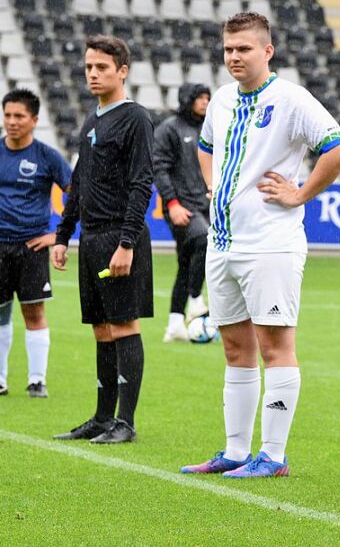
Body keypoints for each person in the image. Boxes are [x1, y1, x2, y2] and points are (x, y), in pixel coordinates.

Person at [180, 12, 340, 478]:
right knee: (235, 348)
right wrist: (214, 187)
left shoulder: (291, 99)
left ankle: (273, 456)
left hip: (270, 243)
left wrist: (299, 194)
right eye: (228, 50)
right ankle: (236, 451)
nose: (234, 57)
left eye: (244, 49)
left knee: (275, 346)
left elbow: (339, 149)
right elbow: (207, 146)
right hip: (224, 242)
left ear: (267, 51)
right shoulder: (219, 100)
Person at [52, 36, 155, 444]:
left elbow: (141, 183)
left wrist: (127, 242)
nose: (93, 74)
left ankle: (125, 423)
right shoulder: (91, 120)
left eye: (102, 68)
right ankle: (100, 417)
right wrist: (63, 234)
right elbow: (78, 184)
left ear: (122, 71)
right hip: (90, 237)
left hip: (119, 236)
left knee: (124, 325)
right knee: (100, 328)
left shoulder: (135, 118)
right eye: (89, 67)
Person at [0, 89, 73, 398]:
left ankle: (36, 380)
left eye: (19, 116)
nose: (12, 122)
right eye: (7, 115)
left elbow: (76, 194)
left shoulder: (47, 156)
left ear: (34, 120)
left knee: (34, 312)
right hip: (0, 246)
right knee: (0, 312)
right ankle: (1, 380)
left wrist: (57, 235)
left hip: (32, 247)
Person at [154, 83, 212, 342]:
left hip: (206, 203)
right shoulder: (169, 129)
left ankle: (175, 324)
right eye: (200, 97)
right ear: (187, 99)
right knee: (204, 239)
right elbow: (159, 169)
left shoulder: (208, 129)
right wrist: (172, 204)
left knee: (186, 264)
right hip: (181, 206)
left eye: (207, 97)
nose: (204, 102)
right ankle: (196, 299)